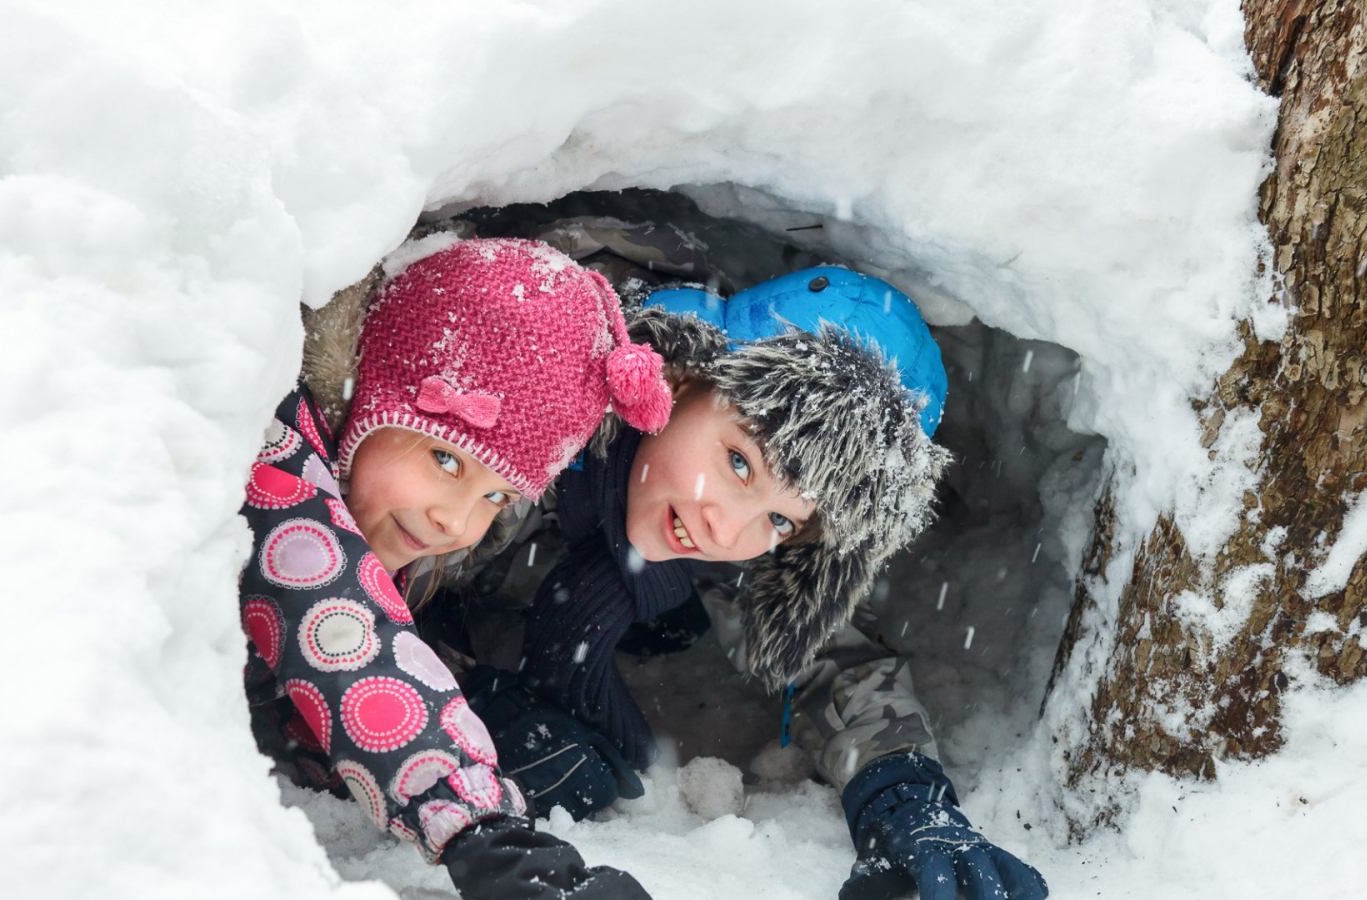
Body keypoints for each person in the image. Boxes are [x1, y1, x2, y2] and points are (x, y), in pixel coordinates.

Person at [444, 219, 1050, 900]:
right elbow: (358, 590)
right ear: (687, 378)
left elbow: (833, 666)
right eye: (738, 461)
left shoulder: (715, 537)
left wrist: (905, 799)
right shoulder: (528, 431)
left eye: (782, 519)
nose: (726, 526)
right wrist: (461, 704)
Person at [236, 236, 671, 900]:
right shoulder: (271, 449)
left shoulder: (381, 506)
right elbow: (336, 624)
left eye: (496, 497)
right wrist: (489, 835)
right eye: (446, 460)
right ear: (371, 399)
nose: (457, 523)